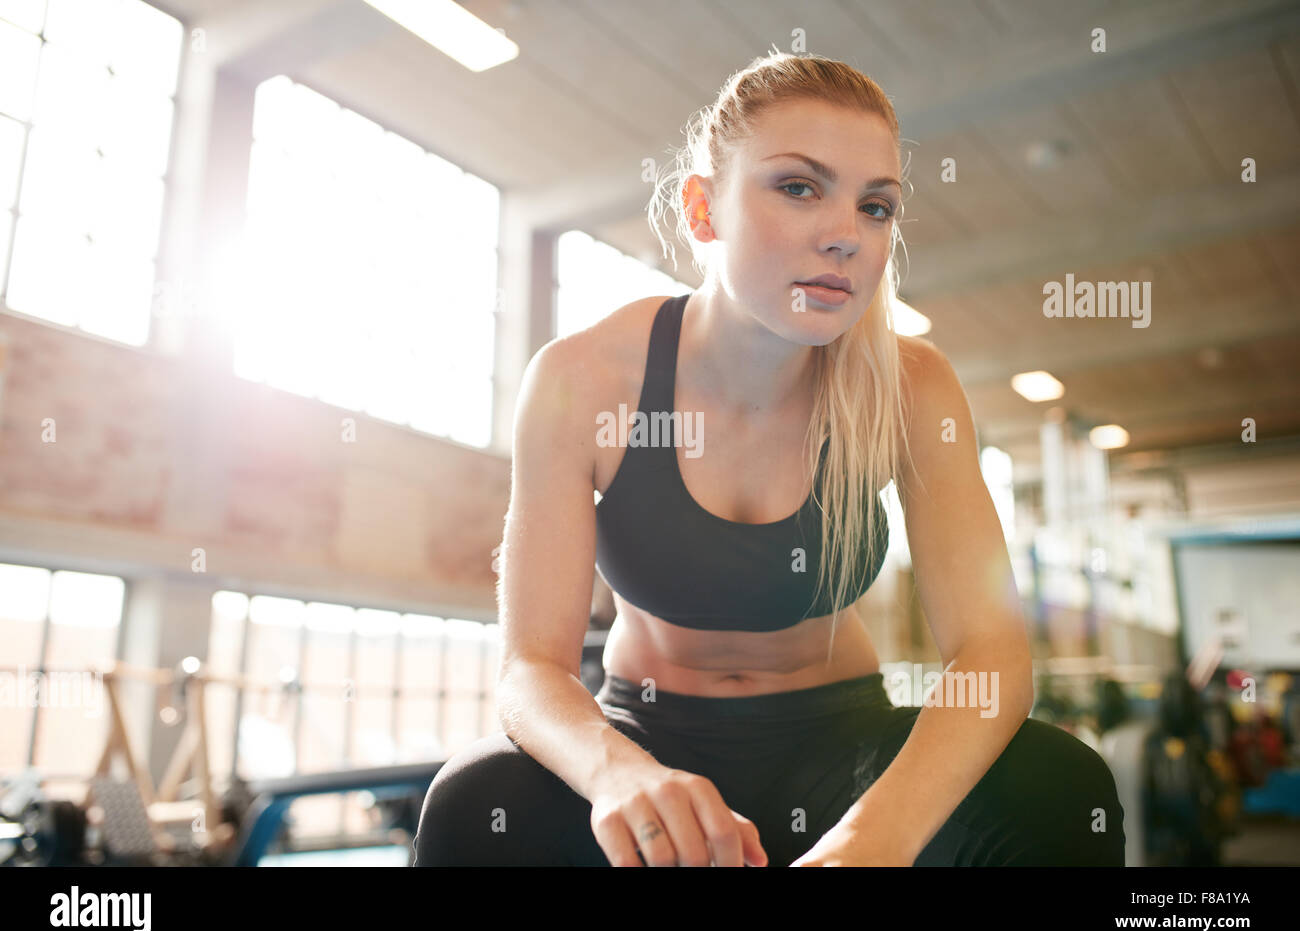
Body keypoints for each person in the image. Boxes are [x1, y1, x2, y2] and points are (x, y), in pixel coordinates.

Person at [413, 50, 1125, 867]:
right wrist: (618, 776)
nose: (845, 236)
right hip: (645, 735)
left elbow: (993, 654)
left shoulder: (912, 385)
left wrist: (874, 837)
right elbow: (530, 672)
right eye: (798, 187)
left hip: (844, 741)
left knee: (1060, 785)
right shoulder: (581, 380)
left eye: (876, 207)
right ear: (703, 209)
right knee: (473, 802)